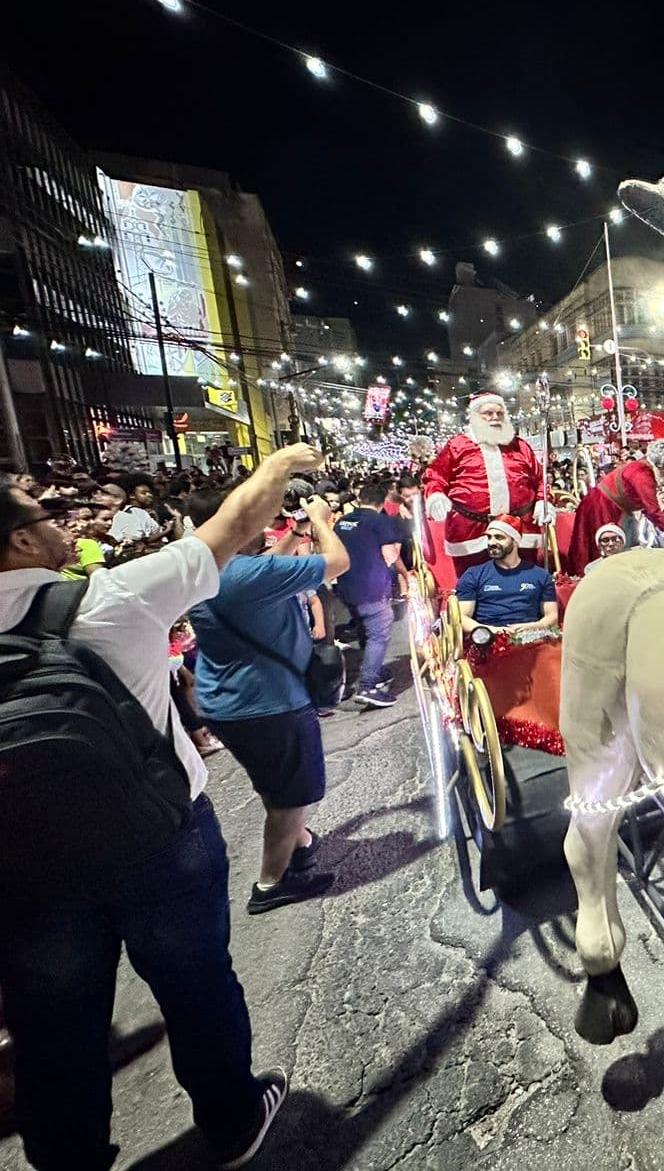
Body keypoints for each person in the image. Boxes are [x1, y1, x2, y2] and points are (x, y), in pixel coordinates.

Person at [0, 442, 326, 1171]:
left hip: (22, 874)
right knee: (198, 987)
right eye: (44, 515)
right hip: (158, 843)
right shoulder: (108, 599)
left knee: (53, 1034)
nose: (63, 524)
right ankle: (235, 1122)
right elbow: (234, 527)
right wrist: (280, 467)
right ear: (20, 541)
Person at [186, 487, 350, 913]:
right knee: (292, 797)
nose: (264, 525)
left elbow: (261, 564)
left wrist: (294, 536)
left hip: (228, 701)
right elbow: (337, 562)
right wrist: (319, 520)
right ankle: (271, 884)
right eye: (255, 518)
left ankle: (298, 843)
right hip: (271, 705)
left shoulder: (204, 565)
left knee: (275, 783)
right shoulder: (244, 577)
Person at [421, 393, 550, 574]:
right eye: (488, 413)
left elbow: (540, 478)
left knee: (523, 583)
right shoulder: (457, 445)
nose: (495, 418)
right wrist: (435, 495)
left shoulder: (520, 446)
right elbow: (435, 475)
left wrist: (543, 502)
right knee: (476, 586)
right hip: (471, 533)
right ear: (475, 416)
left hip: (520, 530)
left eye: (500, 413)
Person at [333, 481, 409, 709]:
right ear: (381, 501)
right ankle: (367, 685)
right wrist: (404, 575)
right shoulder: (379, 521)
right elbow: (390, 554)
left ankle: (373, 668)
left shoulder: (343, 521)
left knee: (365, 627)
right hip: (370, 586)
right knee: (379, 630)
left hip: (346, 585)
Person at [565, 439, 664, 576]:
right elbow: (652, 509)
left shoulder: (643, 469)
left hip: (616, 507)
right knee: (609, 548)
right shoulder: (642, 472)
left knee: (628, 544)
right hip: (603, 507)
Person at [454, 516, 559, 634]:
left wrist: (533, 627)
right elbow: (461, 618)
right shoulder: (473, 575)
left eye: (499, 537)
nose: (491, 542)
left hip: (532, 638)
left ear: (515, 541)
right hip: (488, 639)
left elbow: (552, 617)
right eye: (489, 537)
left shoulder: (540, 575)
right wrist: (493, 631)